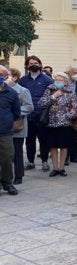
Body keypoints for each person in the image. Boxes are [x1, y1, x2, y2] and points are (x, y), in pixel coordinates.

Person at [38, 72, 77, 177]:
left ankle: (62, 168)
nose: (58, 82)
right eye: (56, 80)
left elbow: (76, 108)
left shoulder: (70, 92)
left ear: (65, 82)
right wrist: (53, 97)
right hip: (51, 123)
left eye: (60, 80)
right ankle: (55, 168)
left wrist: (67, 116)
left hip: (64, 124)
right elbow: (41, 103)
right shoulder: (49, 90)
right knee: (52, 146)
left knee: (63, 146)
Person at [19, 55, 54, 172]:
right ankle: (30, 161)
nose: (33, 65)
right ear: (27, 66)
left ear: (40, 64)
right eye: (30, 63)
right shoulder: (23, 80)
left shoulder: (47, 80)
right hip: (28, 116)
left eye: (35, 63)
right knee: (29, 140)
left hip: (42, 115)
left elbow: (51, 97)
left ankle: (44, 161)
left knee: (44, 139)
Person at [5, 68, 33, 185]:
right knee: (5, 153)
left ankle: (18, 175)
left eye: (7, 77)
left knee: (17, 152)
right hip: (4, 127)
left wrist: (13, 111)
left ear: (15, 77)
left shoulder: (23, 91)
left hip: (17, 126)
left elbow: (29, 107)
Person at [0, 66, 21, 195]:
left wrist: (6, 121)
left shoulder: (11, 93)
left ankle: (7, 183)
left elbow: (16, 112)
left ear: (6, 77)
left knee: (7, 158)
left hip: (5, 132)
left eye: (1, 74)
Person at [66, 66, 77, 165]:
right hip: (66, 112)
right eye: (74, 72)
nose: (76, 74)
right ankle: (66, 157)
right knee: (67, 136)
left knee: (75, 136)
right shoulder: (65, 83)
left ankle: (74, 156)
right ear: (69, 73)